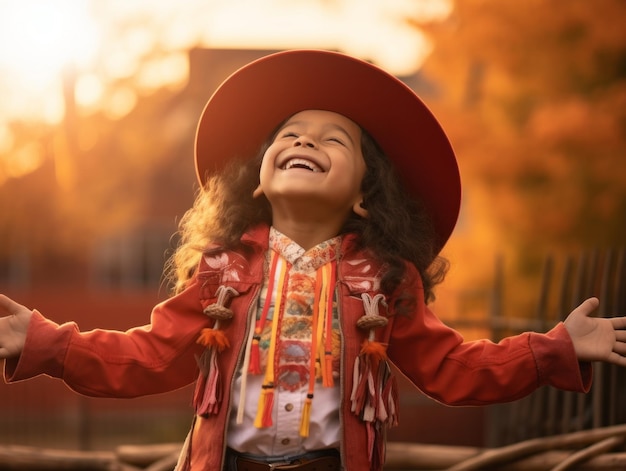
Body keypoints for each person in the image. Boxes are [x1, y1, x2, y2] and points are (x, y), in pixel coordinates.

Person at [1, 50, 625, 471]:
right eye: (290, 135)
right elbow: (144, 356)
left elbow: (454, 369)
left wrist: (556, 349)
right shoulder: (223, 274)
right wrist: (47, 343)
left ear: (363, 194)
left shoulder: (383, 282)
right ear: (256, 180)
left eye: (333, 139)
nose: (304, 141)